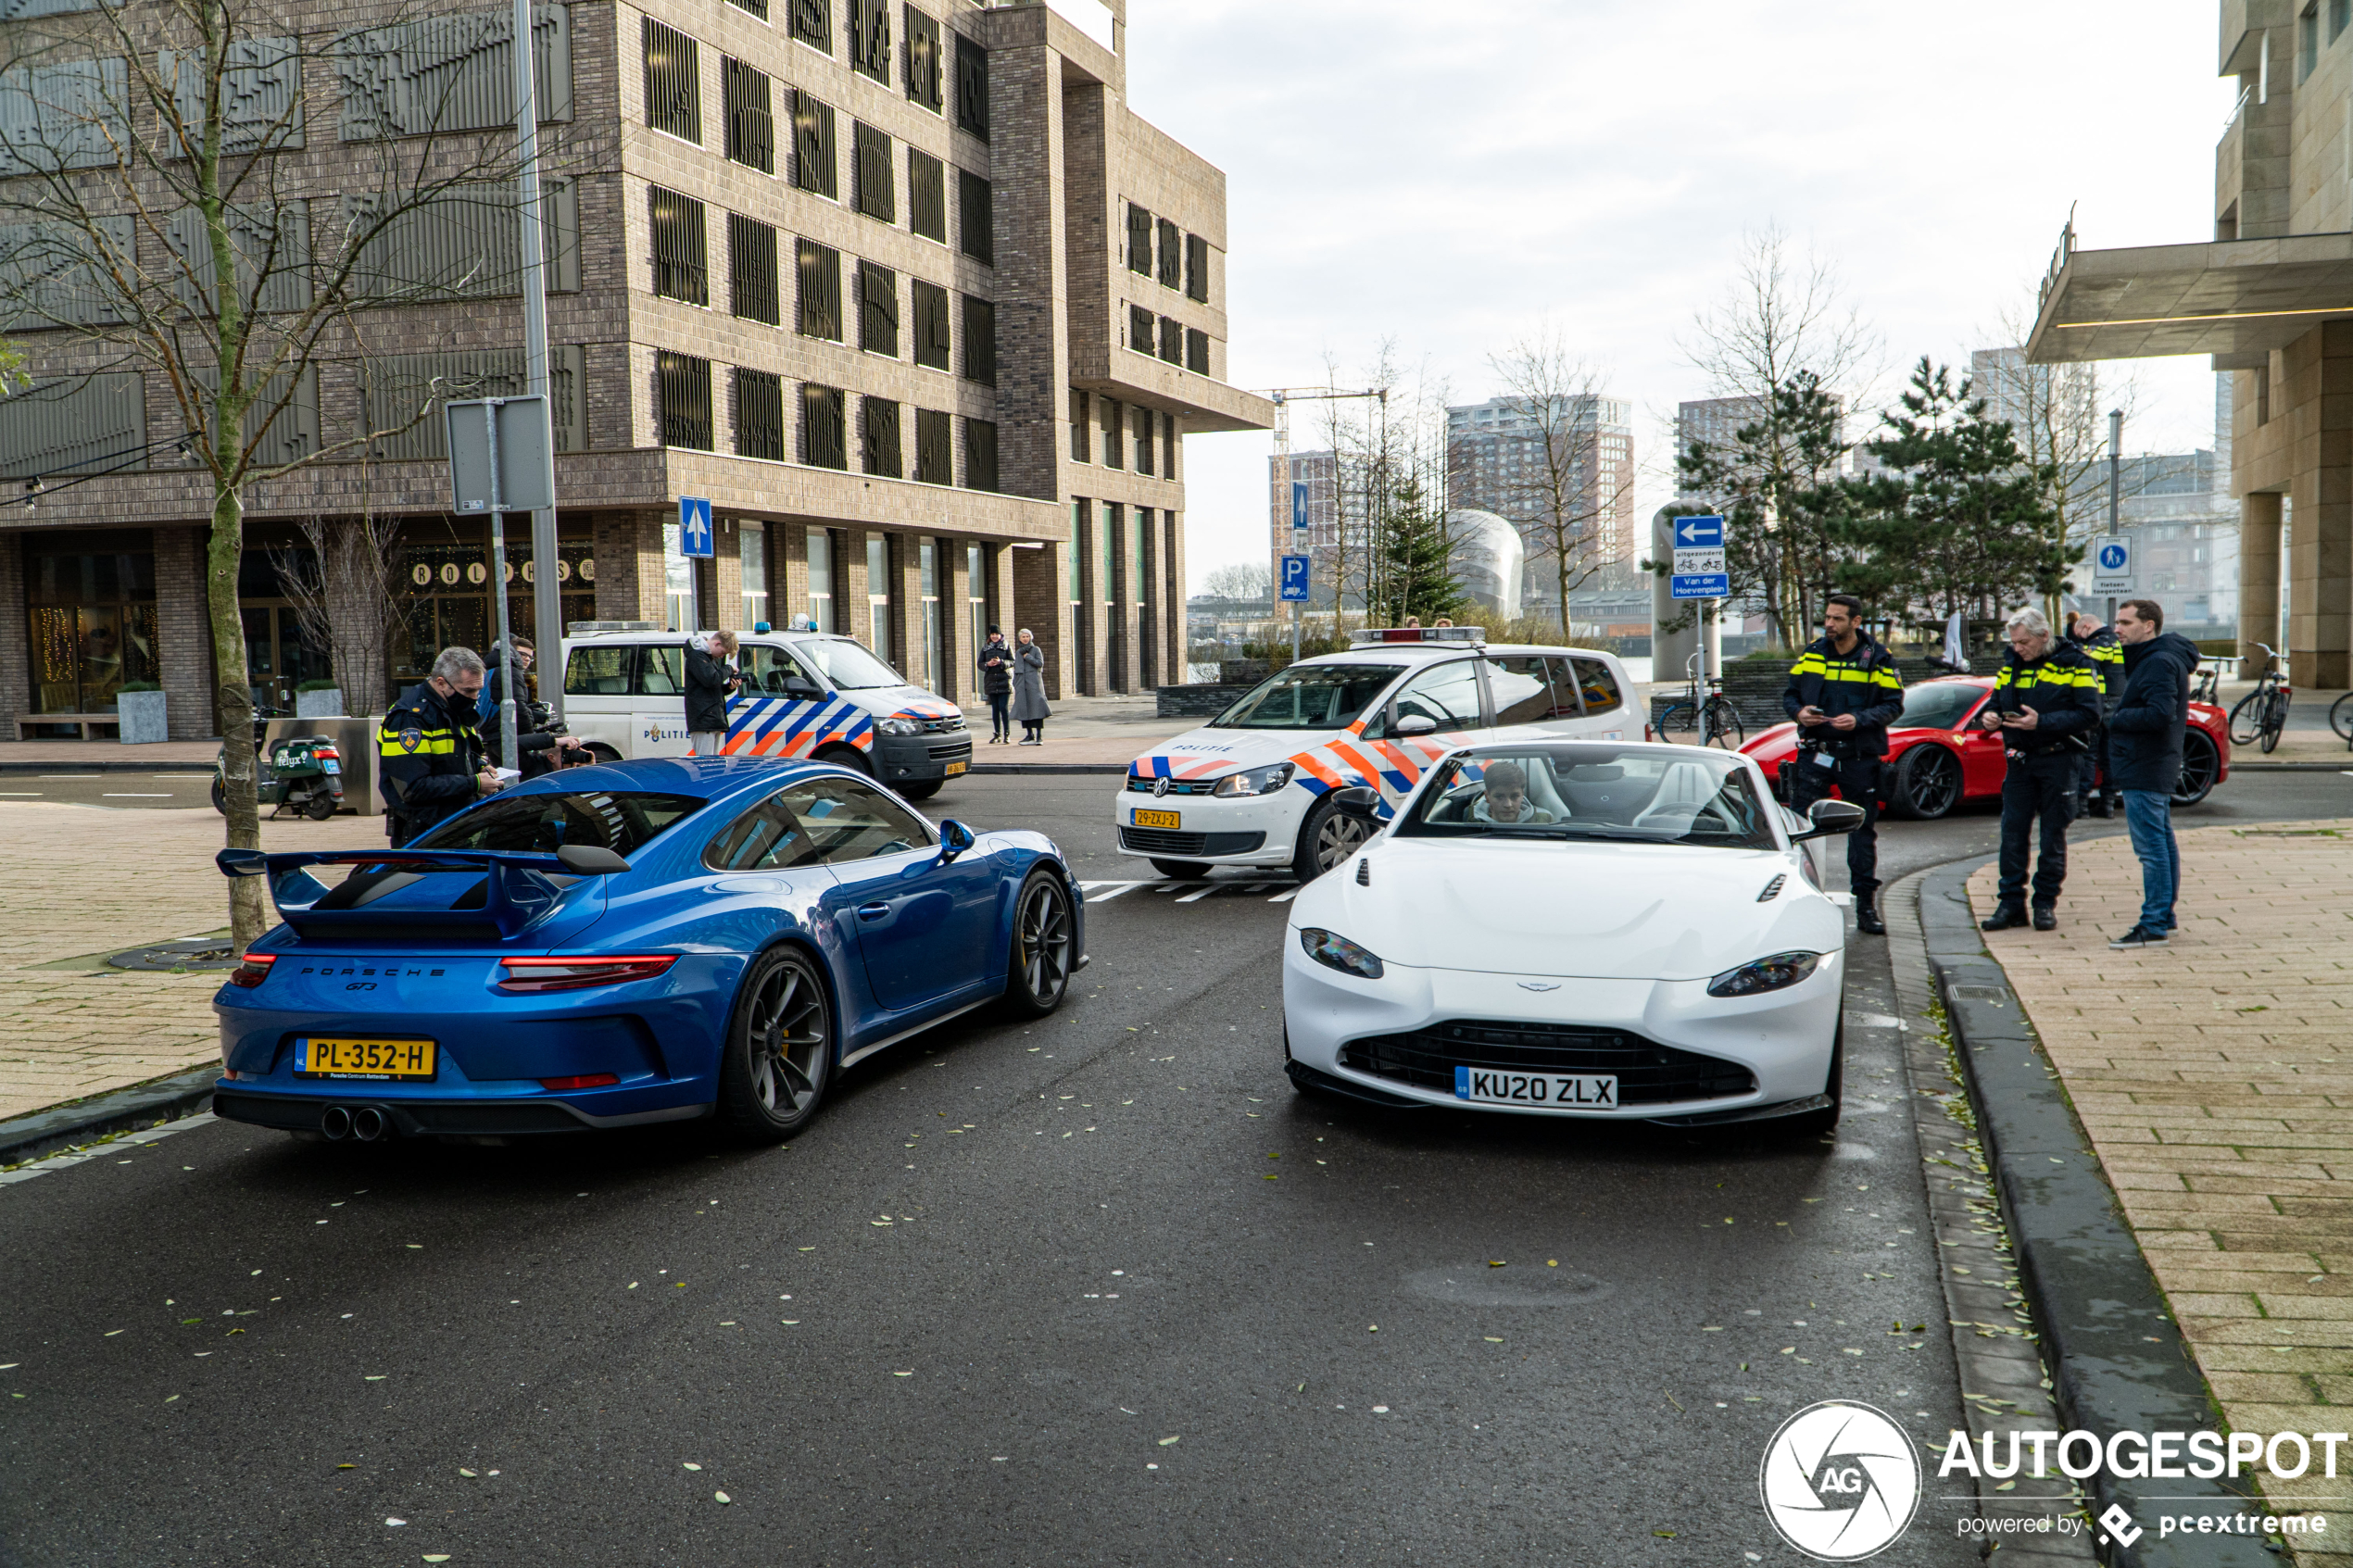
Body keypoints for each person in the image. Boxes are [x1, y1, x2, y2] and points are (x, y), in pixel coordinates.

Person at [1782, 593, 1905, 935]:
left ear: (1856, 622)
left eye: (1837, 619)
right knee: (1796, 827)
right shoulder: (1813, 652)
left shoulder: (1878, 658)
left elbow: (1894, 705)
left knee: (1862, 832)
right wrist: (1799, 712)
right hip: (1815, 753)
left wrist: (1859, 719)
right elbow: (1790, 694)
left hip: (1858, 757)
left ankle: (1865, 906)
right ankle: (1792, 900)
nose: (1829, 624)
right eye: (1828, 618)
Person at [1977, 608, 2104, 933]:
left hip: (2059, 759)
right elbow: (1995, 701)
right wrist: (1990, 718)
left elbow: (2091, 714)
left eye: (2023, 642)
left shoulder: (2077, 663)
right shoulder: (2011, 665)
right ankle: (2010, 905)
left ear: (2043, 636)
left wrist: (2042, 722)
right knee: (2012, 833)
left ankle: (2045, 903)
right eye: (2014, 642)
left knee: (2052, 835)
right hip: (2020, 759)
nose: (2017, 648)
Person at [2105, 599, 2198, 949]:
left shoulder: (2158, 661)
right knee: (2161, 841)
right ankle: (2165, 916)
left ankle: (2154, 923)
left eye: (2125, 622)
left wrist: (2115, 718)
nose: (2117, 629)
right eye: (2117, 621)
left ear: (2148, 626)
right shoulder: (2159, 657)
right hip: (2151, 762)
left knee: (2151, 848)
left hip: (2146, 763)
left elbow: (2160, 713)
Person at [379, 646, 502, 846]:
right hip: (424, 830)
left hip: (452, 822)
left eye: (478, 690)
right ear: (441, 683)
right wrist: (475, 783)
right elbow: (412, 788)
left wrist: (479, 768)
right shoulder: (411, 718)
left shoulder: (450, 708)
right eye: (468, 690)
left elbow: (454, 758)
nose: (474, 697)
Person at [478, 638, 585, 778]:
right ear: (513, 653)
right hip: (505, 736)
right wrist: (532, 738)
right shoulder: (510, 672)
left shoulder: (492, 670)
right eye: (523, 654)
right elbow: (519, 709)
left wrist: (532, 712)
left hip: (491, 737)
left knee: (507, 779)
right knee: (522, 778)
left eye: (530, 656)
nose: (527, 659)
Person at [2066, 610, 2125, 819]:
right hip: (2116, 707)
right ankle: (2107, 804)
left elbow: (2082, 659)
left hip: (2101, 707)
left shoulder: (2102, 643)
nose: (2081, 639)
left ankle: (2081, 805)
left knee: (2088, 756)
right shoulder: (2116, 642)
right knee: (2109, 758)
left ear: (2087, 627)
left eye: (2079, 634)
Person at [685, 630, 740, 757]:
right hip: (704, 719)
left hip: (710, 719)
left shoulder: (708, 658)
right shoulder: (697, 656)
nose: (721, 656)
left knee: (712, 762)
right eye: (722, 653)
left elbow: (712, 687)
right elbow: (710, 679)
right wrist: (728, 669)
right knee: (705, 763)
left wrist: (729, 688)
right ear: (717, 643)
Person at [1471, 759, 1556, 824]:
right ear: (1487, 796)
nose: (1508, 804)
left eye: (1514, 796)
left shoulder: (1544, 822)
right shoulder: (1468, 821)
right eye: (1499, 797)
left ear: (1522, 794)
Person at [977, 625, 1015, 744]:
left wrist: (1001, 662)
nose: (994, 636)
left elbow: (1013, 661)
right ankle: (997, 734)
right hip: (991, 682)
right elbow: (980, 663)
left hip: (1004, 681)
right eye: (992, 634)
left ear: (1000, 635)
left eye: (996, 634)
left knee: (1003, 708)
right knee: (995, 709)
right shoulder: (985, 648)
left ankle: (1007, 734)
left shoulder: (1006, 646)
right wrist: (987, 664)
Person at [1012, 628, 1051, 745]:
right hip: (1022, 685)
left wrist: (1028, 657)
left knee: (1037, 708)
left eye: (1027, 636)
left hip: (1034, 684)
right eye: (1023, 637)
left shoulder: (1035, 649)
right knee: (1024, 709)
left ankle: (1039, 736)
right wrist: (1016, 683)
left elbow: (1040, 664)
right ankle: (1029, 735)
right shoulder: (1018, 652)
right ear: (1019, 638)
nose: (1025, 639)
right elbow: (1016, 669)